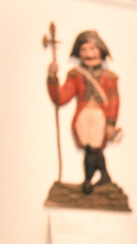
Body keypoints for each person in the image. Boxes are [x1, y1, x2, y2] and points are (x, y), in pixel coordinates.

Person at [47, 30, 121, 194]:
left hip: (100, 118)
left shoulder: (110, 78)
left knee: (93, 149)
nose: (88, 54)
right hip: (83, 118)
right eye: (84, 49)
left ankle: (89, 181)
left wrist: (110, 123)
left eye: (92, 48)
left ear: (100, 50)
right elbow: (61, 97)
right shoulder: (76, 75)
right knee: (92, 148)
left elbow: (114, 101)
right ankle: (103, 175)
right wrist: (52, 78)